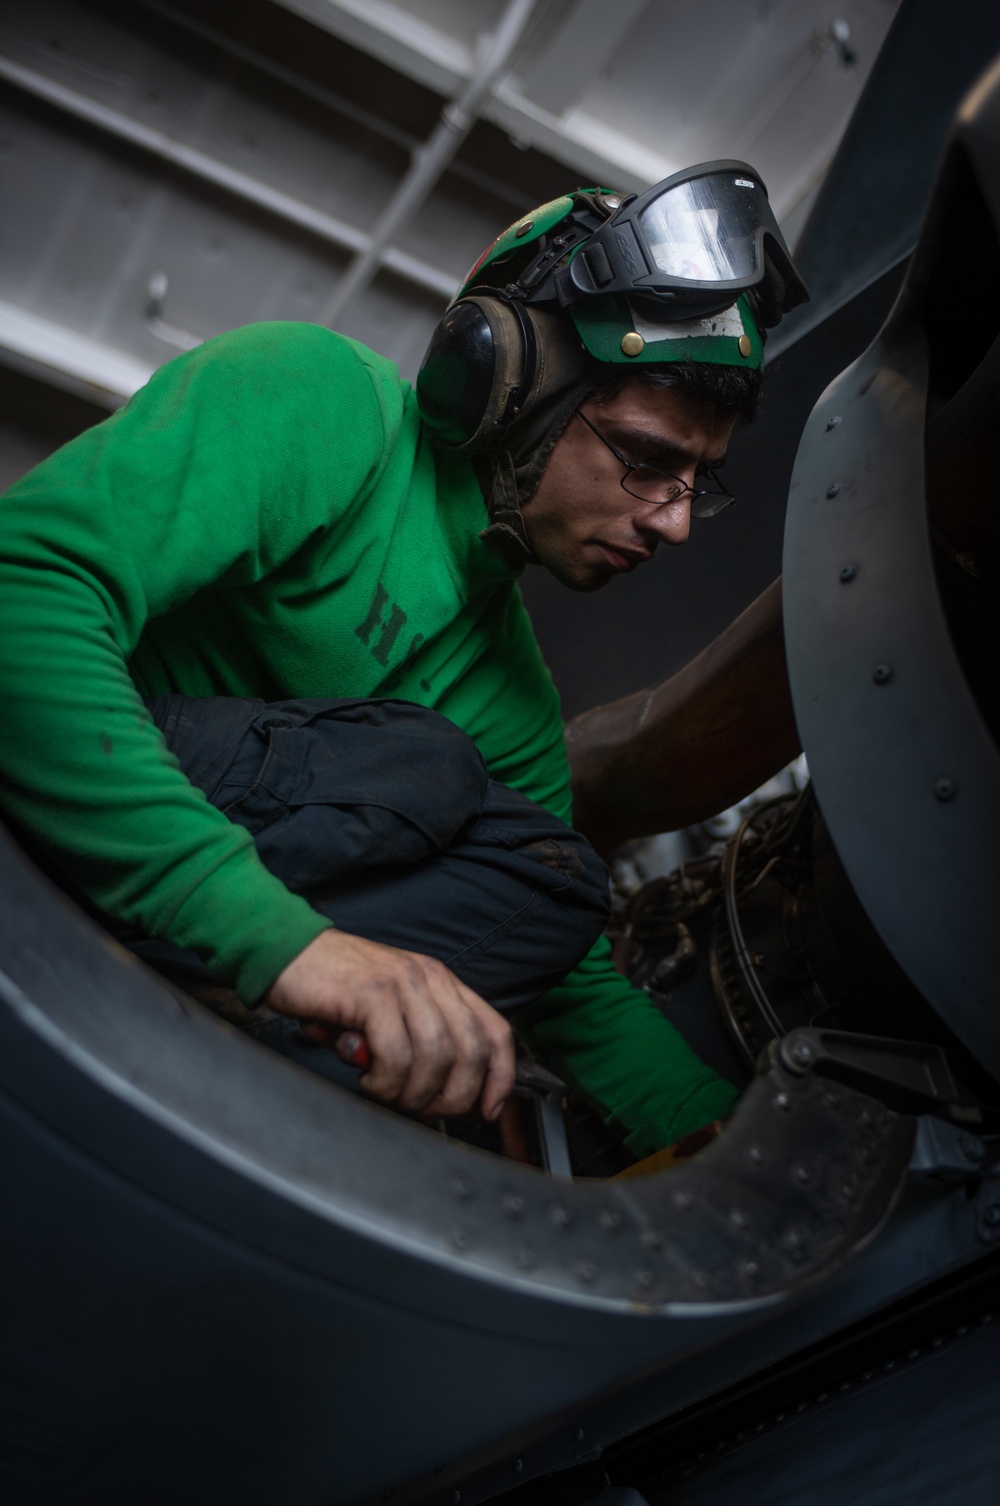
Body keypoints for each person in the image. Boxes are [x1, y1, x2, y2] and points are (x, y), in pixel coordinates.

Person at [0, 163, 807, 1157]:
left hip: (165, 949)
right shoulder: (317, 402)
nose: (676, 520)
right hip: (36, 833)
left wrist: (743, 1154)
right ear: (505, 381)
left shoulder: (508, 695)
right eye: (646, 460)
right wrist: (296, 950)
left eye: (697, 481)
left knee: (552, 884)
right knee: (424, 763)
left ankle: (234, 1067)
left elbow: (577, 993)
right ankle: (247, 977)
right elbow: (21, 593)